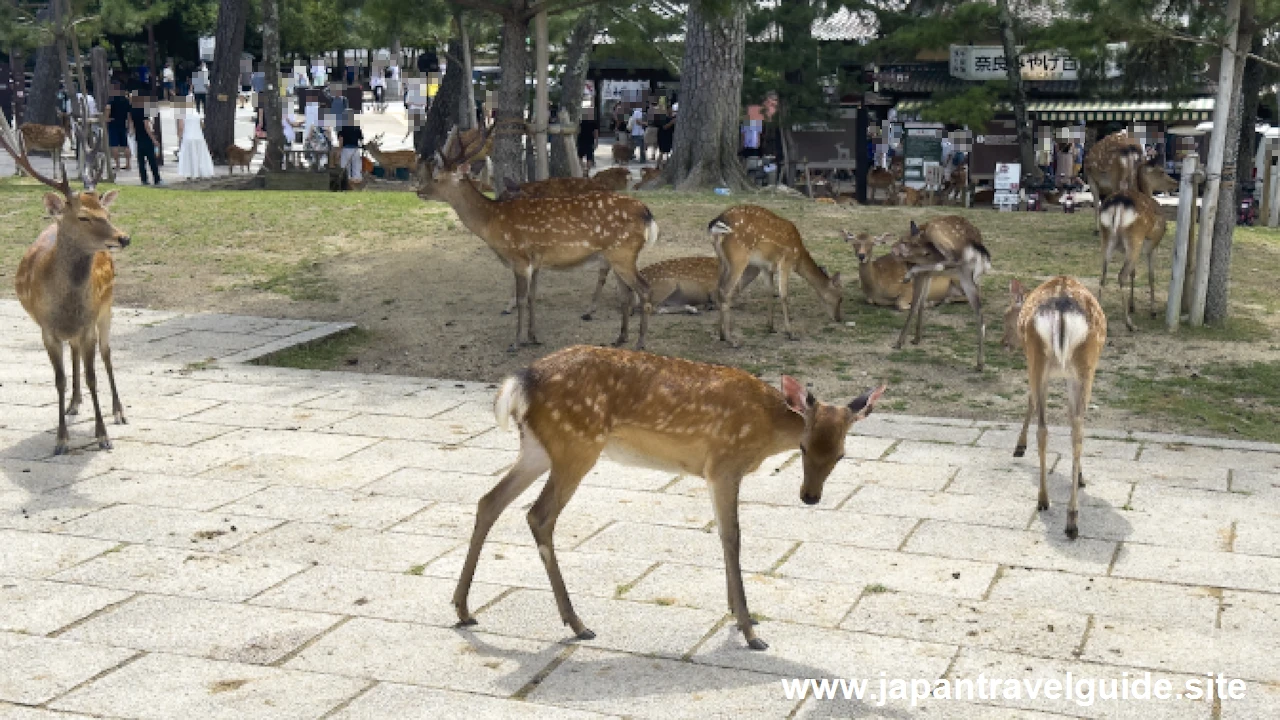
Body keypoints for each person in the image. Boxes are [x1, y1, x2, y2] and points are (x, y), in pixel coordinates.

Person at [175, 96, 215, 179]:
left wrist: (179, 138)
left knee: (189, 157)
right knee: (199, 155)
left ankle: (190, 173)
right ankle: (200, 171)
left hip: (188, 137)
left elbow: (181, 127)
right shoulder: (196, 112)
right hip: (198, 137)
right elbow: (202, 125)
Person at [128, 90, 162, 185]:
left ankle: (144, 179)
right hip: (146, 137)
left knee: (141, 160)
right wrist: (154, 139)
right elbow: (146, 126)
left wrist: (132, 133)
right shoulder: (143, 110)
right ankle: (157, 178)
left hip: (138, 137)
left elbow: (131, 124)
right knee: (151, 159)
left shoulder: (131, 110)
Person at [106, 82, 132, 171]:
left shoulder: (111, 99)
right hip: (122, 123)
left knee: (114, 145)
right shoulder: (126, 100)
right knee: (125, 145)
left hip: (113, 123)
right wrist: (129, 124)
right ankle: (128, 163)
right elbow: (129, 114)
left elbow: (108, 108)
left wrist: (106, 118)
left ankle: (117, 165)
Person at [337, 116, 363, 183]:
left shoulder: (342, 126)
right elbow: (361, 139)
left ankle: (347, 181)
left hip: (346, 149)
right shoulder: (357, 126)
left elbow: (341, 139)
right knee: (356, 167)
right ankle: (357, 180)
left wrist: (339, 150)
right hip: (355, 150)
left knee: (345, 167)